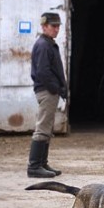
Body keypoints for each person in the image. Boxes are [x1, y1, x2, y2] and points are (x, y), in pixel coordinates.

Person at [27, 12, 68, 178]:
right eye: (53, 26)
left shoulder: (48, 43)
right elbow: (43, 71)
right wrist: (55, 88)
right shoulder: (44, 45)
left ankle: (42, 163)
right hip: (47, 91)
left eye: (58, 26)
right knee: (43, 127)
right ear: (44, 26)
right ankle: (34, 166)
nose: (56, 29)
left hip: (48, 91)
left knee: (47, 127)